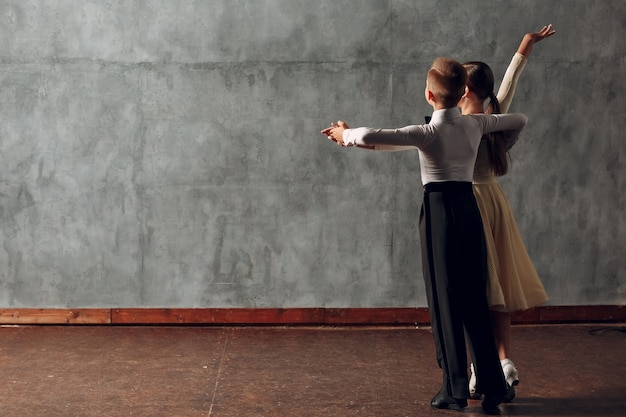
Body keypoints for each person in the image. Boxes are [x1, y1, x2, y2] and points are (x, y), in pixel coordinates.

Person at [322, 57, 527, 414]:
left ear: (428, 94)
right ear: (463, 92)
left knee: (445, 300)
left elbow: (375, 136)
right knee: (475, 298)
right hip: (469, 209)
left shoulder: (427, 133)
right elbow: (519, 119)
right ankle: (493, 385)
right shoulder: (474, 126)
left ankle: (455, 389)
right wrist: (488, 117)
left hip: (439, 214)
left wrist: (344, 135)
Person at [459, 25, 555, 402]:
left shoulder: (458, 126)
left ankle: (478, 369)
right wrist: (526, 46)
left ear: (462, 92)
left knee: (476, 290)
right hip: (495, 201)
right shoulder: (493, 118)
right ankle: (503, 362)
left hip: (469, 203)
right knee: (497, 289)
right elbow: (508, 85)